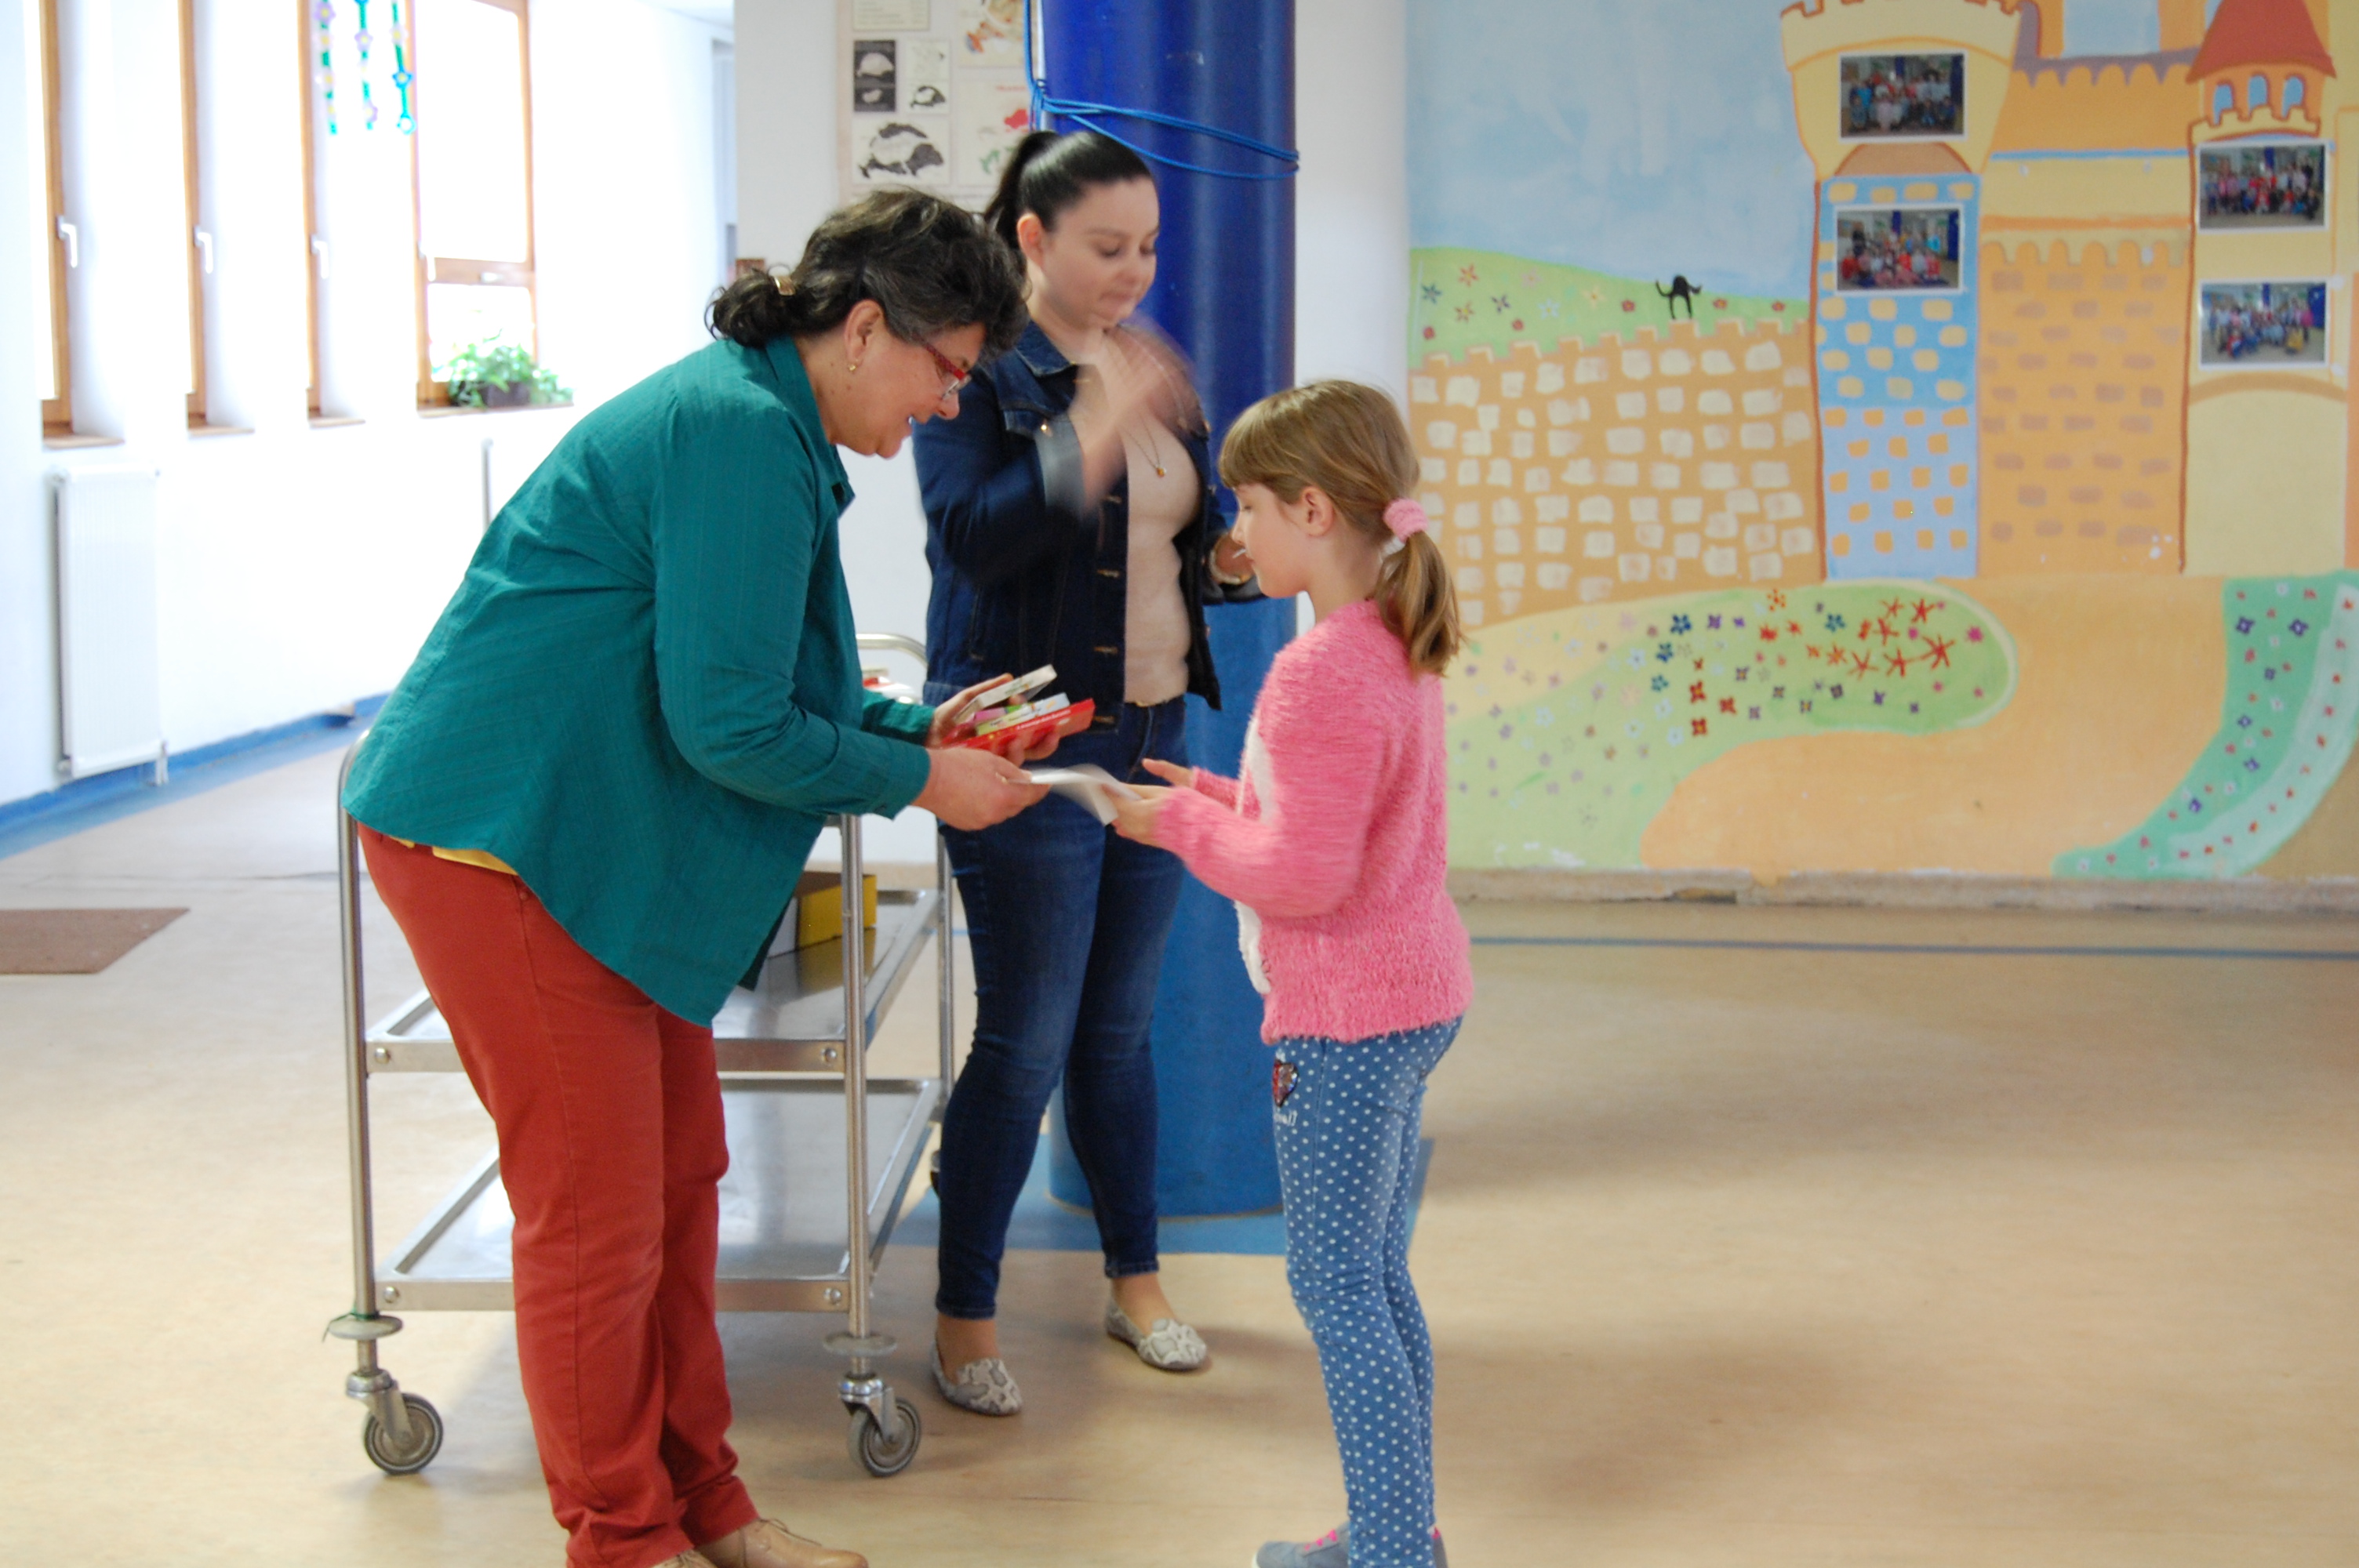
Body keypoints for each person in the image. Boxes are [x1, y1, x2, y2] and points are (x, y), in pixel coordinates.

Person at [342, 191, 1052, 1568]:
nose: (951, 403)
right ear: (866, 329)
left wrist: (920, 732)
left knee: (678, 1185)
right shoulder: (737, 431)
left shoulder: (765, 419)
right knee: (598, 1218)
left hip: (573, 828)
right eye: (948, 368)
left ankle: (705, 1507)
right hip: (499, 836)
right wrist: (923, 784)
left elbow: (761, 679)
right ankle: (624, 1539)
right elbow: (728, 726)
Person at [911, 128, 1260, 1415]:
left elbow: (1188, 537)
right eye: (1109, 247)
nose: (1135, 272)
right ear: (1033, 239)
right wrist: (1095, 426)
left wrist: (1231, 562)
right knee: (1026, 1039)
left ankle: (1137, 1282)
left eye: (1149, 248)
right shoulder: (978, 370)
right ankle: (965, 1312)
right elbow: (972, 538)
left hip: (1156, 736)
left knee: (1117, 1034)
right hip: (1030, 747)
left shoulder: (1146, 365)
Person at [1109, 381, 1475, 1568]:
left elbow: (1305, 876)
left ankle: (1391, 1553)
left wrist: (1175, 828)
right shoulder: (1390, 640)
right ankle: (1396, 1533)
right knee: (1374, 1276)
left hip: (1345, 1023)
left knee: (1334, 1287)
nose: (1239, 533)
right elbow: (1333, 822)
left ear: (1313, 511)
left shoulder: (1321, 669)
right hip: (1413, 998)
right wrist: (1213, 796)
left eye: (1251, 507)